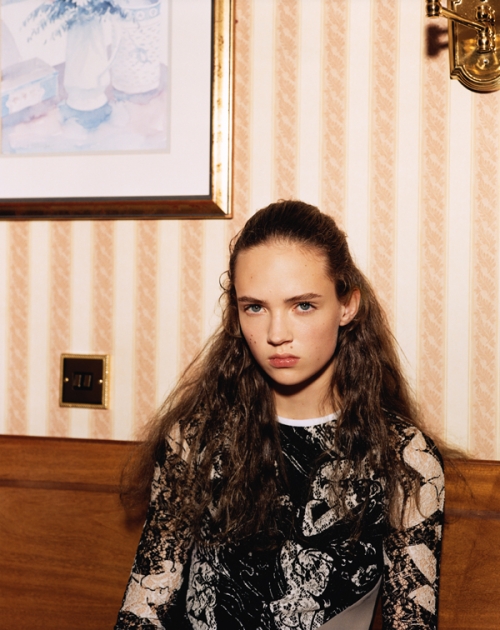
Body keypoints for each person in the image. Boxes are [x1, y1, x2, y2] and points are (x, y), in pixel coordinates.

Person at [115, 200, 444, 630]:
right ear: (236, 314)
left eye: (302, 305)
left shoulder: (404, 458)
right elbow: (144, 609)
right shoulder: (194, 441)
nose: (276, 334)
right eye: (255, 307)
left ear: (347, 306)